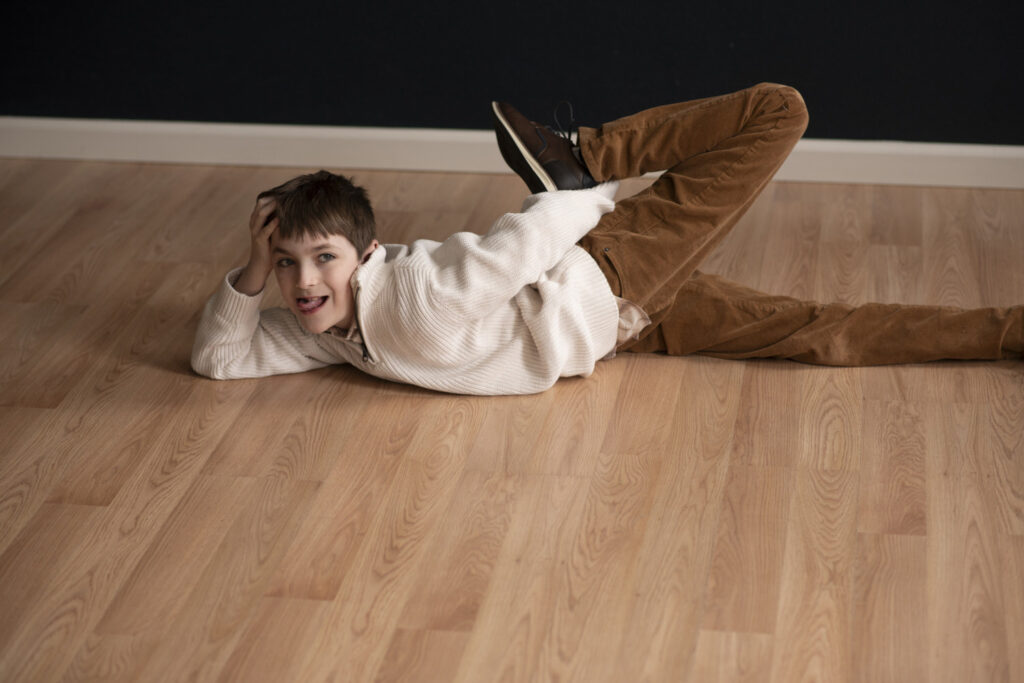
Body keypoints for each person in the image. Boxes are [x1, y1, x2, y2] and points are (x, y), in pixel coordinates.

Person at [191, 83, 1023, 395]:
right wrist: (252, 273)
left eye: (321, 259)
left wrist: (594, 192)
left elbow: (535, 232)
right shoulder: (334, 332)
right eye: (291, 264)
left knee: (782, 112)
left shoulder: (417, 295)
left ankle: (589, 153)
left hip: (605, 275)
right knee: (811, 328)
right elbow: (218, 360)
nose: (303, 281)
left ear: (366, 256)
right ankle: (1009, 331)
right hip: (611, 319)